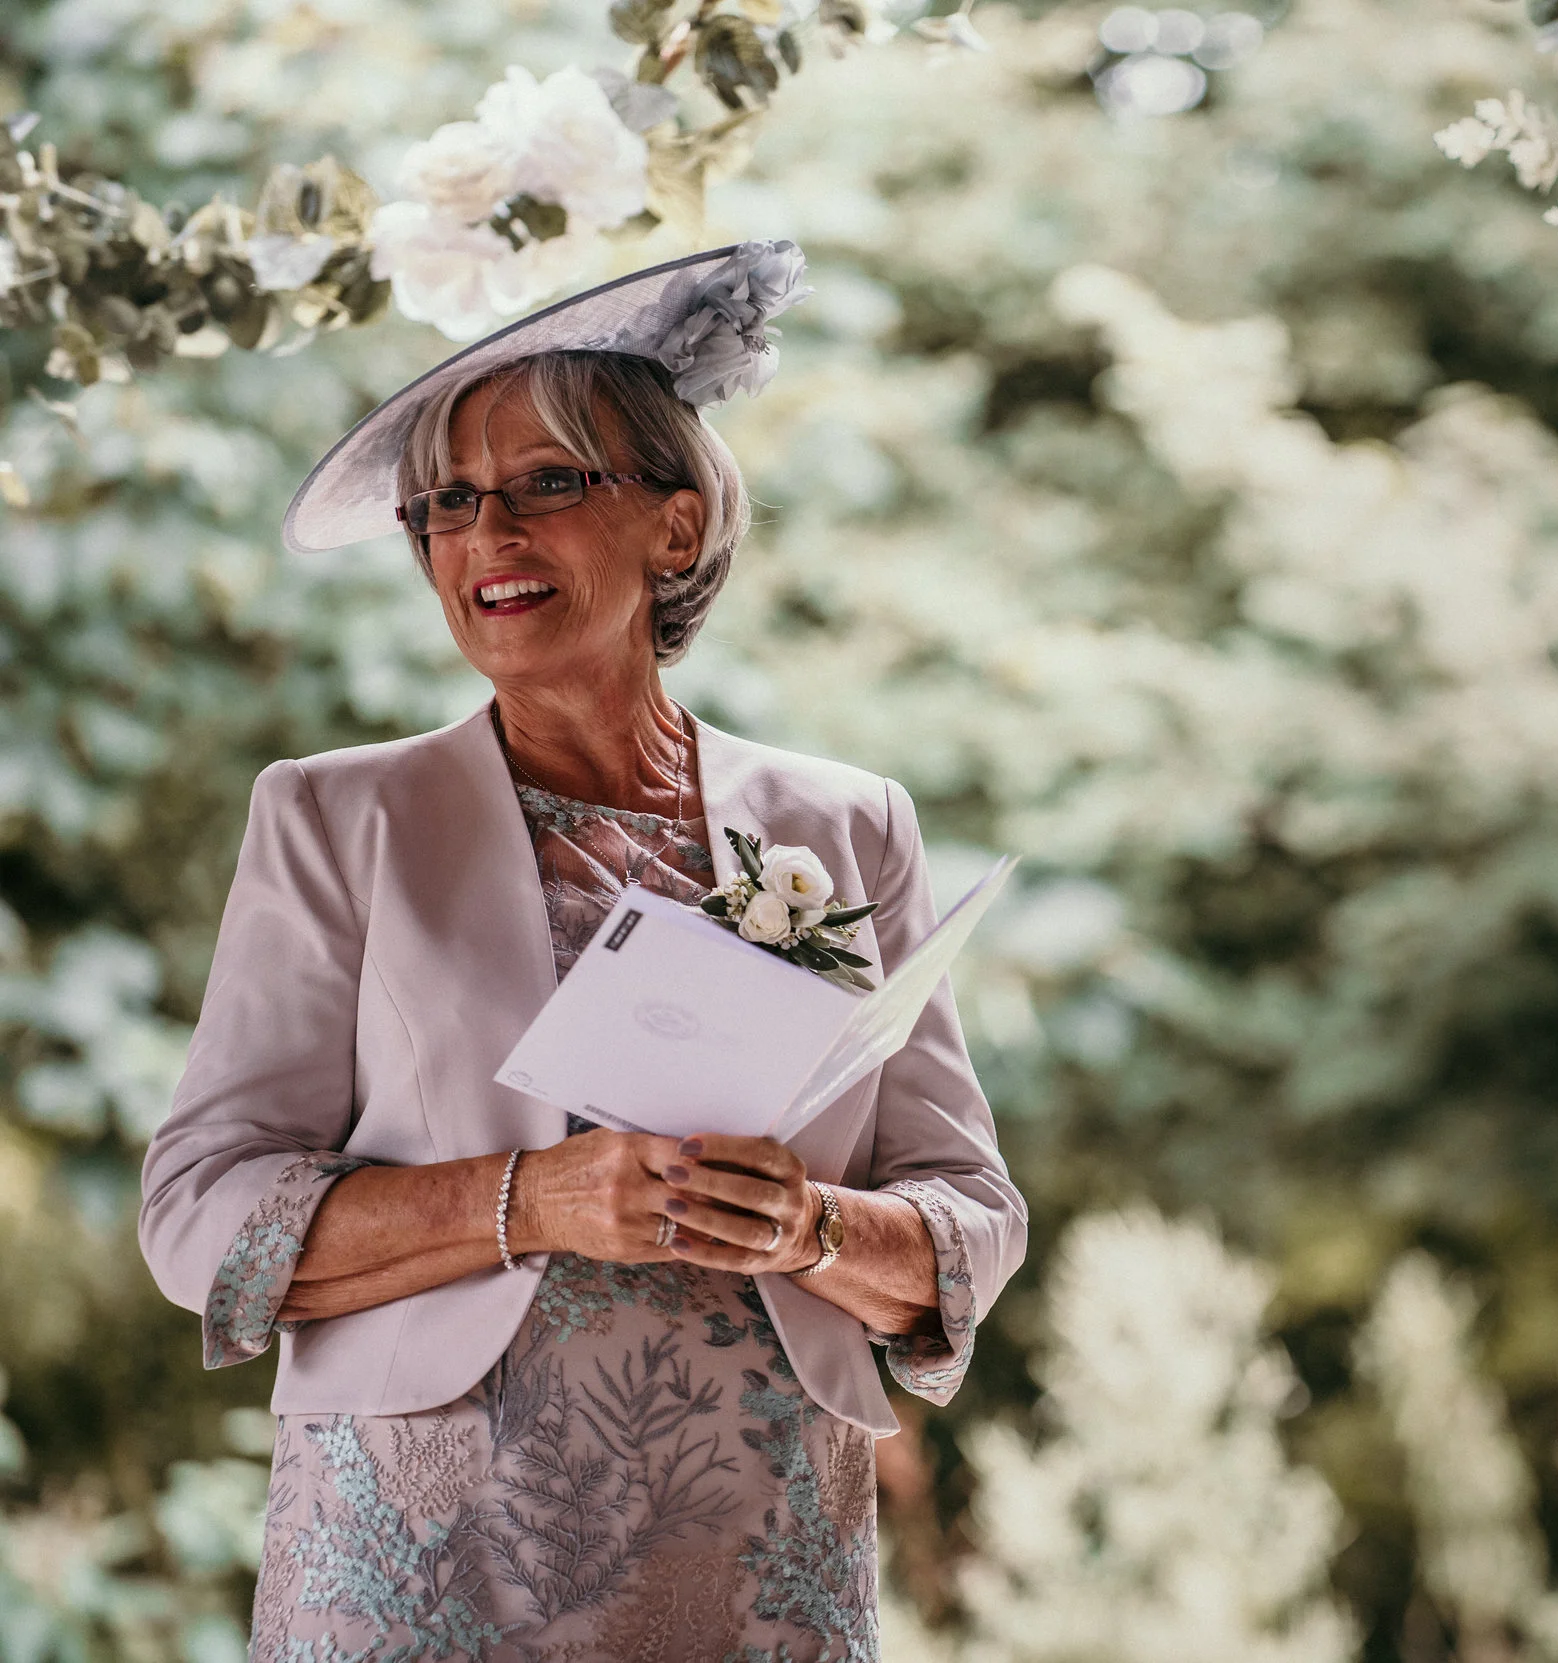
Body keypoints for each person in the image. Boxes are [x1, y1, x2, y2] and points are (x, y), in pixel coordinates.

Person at [136, 240, 1025, 1659]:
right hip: (429, 1569)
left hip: (756, 1564)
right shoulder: (334, 815)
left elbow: (971, 1217)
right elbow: (198, 1217)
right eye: (448, 503)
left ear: (676, 529)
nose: (488, 533)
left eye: (549, 482)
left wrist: (809, 1225)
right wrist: (529, 1199)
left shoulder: (846, 824)